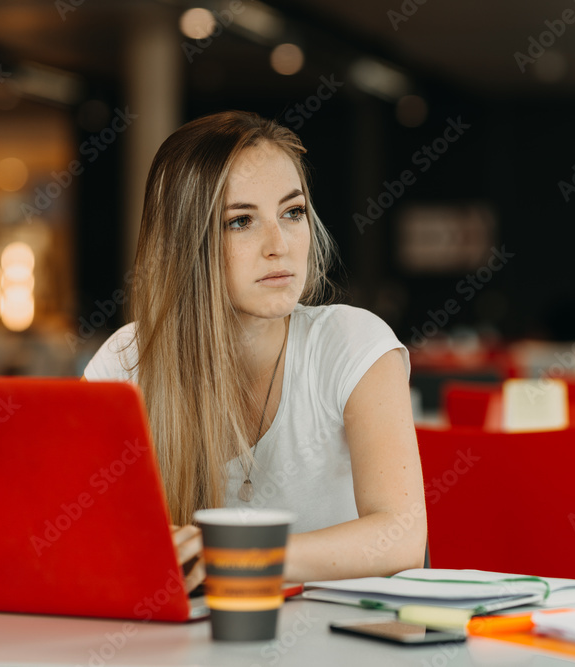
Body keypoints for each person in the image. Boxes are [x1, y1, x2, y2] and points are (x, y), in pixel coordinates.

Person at [81, 111, 426, 590]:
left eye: (293, 212)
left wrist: (239, 555)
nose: (279, 244)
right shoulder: (126, 360)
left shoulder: (352, 342)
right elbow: (84, 536)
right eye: (240, 221)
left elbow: (401, 536)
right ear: (185, 243)